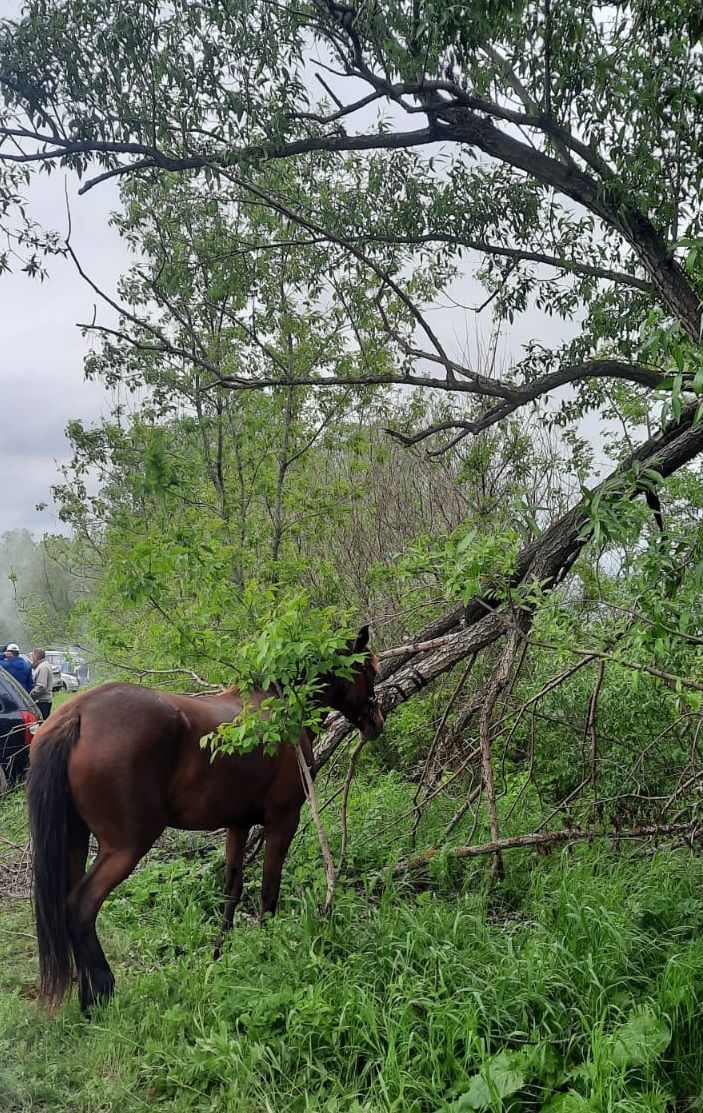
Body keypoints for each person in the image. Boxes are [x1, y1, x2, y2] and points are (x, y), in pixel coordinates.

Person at [30, 649, 54, 720]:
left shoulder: (43, 667)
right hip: (42, 701)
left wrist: (30, 695)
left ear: (37, 656)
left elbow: (41, 686)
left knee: (41, 723)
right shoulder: (42, 666)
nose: (32, 658)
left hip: (42, 702)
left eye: (32, 656)